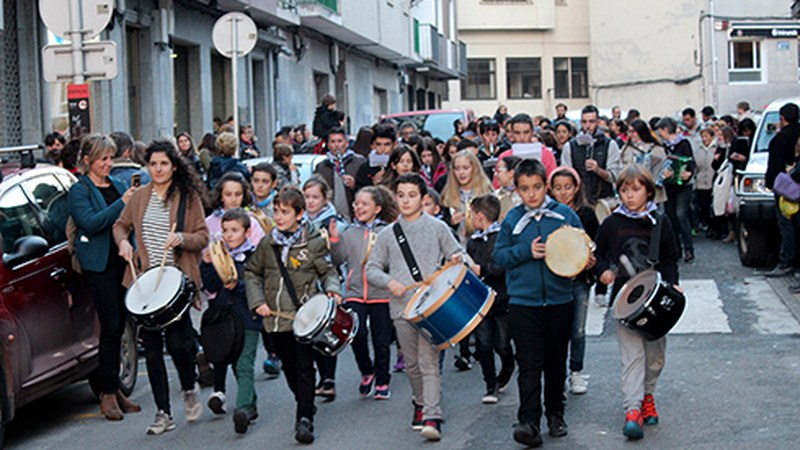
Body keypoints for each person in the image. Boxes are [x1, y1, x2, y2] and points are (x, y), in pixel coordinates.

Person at [113, 140, 209, 435]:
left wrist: (181, 238)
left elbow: (203, 236)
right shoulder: (140, 196)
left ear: (174, 166)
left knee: (179, 345)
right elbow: (120, 225)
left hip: (177, 282)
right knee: (152, 350)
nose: (157, 169)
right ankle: (163, 412)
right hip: (145, 284)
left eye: (163, 164)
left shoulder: (188, 198)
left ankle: (189, 387)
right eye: (153, 164)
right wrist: (123, 244)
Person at [365, 173, 463, 441]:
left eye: (412, 195)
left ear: (423, 198)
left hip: (433, 307)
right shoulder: (386, 234)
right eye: (401, 195)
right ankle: (419, 402)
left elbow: (458, 253)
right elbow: (372, 268)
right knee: (411, 364)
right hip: (401, 307)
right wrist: (390, 281)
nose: (406, 200)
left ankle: (433, 414)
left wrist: (456, 258)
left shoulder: (438, 228)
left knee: (428, 361)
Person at [493, 159, 583, 448]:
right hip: (523, 302)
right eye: (524, 189)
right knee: (529, 363)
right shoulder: (511, 220)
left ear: (546, 186)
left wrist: (585, 260)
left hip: (559, 299)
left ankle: (556, 413)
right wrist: (524, 251)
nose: (531, 194)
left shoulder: (565, 214)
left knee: (556, 361)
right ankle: (528, 422)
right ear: (516, 190)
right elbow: (499, 257)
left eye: (536, 187)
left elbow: (582, 247)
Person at [245, 186, 341, 444]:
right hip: (276, 320)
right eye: (276, 211)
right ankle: (305, 403)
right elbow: (252, 272)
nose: (278, 216)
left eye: (285, 212)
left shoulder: (312, 242)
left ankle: (304, 418)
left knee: (303, 367)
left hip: (304, 319)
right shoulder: (268, 243)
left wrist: (333, 290)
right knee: (288, 367)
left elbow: (328, 272)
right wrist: (258, 301)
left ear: (299, 214)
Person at [594, 165, 680, 440]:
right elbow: (600, 255)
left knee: (655, 358)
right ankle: (632, 410)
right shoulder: (612, 223)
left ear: (647, 190)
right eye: (624, 190)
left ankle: (647, 396)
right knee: (632, 357)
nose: (629, 196)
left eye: (635, 189)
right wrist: (603, 273)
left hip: (655, 297)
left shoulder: (659, 221)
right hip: (625, 299)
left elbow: (669, 257)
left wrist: (672, 282)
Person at [68, 134, 140, 421]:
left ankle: (114, 389)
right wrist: (121, 203)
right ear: (88, 160)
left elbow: (128, 222)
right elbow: (91, 223)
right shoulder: (80, 190)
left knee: (121, 323)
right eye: (103, 159)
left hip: (121, 263)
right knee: (110, 325)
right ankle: (107, 392)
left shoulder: (119, 183)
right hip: (98, 266)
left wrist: (130, 244)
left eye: (111, 158)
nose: (109, 164)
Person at [329, 186, 398, 400]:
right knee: (356, 335)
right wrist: (334, 241)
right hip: (355, 291)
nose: (359, 208)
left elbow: (395, 261)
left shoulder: (388, 232)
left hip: (381, 293)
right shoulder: (348, 232)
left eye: (364, 204)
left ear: (377, 208)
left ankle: (383, 380)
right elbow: (338, 259)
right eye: (356, 204)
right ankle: (367, 371)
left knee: (381, 339)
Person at [199, 208, 261, 433]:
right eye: (225, 230)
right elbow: (213, 287)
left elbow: (259, 286)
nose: (229, 235)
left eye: (234, 230)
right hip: (228, 321)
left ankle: (243, 409)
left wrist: (240, 285)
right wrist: (206, 265)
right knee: (236, 363)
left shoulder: (255, 257)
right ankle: (251, 403)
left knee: (244, 364)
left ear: (247, 231)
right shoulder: (220, 256)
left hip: (249, 319)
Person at [547, 166, 599, 395]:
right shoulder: (548, 213)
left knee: (578, 329)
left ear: (576, 187)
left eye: (568, 187)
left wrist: (591, 260)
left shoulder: (586, 214)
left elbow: (597, 244)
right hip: (554, 280)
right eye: (558, 188)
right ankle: (557, 371)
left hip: (579, 279)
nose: (563, 192)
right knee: (557, 330)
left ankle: (576, 370)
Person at [466, 194, 514, 404]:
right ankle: (490, 384)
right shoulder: (472, 242)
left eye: (472, 214)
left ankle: (508, 364)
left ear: (480, 215)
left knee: (502, 344)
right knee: (484, 344)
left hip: (502, 299)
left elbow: (503, 266)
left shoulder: (501, 238)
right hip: (480, 300)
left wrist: (482, 269)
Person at [561, 105, 622, 206]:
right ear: (580, 123)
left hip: (604, 200)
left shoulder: (610, 144)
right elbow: (566, 175)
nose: (588, 126)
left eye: (591, 121)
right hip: (579, 201)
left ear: (598, 122)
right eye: (584, 122)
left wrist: (598, 170)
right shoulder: (570, 146)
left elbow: (615, 177)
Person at [765, 103, 800, 277]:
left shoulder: (780, 139)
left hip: (785, 187)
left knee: (786, 224)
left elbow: (774, 167)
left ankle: (787, 261)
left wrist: (771, 183)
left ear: (782, 118)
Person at [655, 117, 695, 262]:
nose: (660, 134)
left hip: (684, 186)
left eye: (661, 131)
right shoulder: (662, 147)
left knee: (680, 214)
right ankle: (676, 249)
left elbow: (691, 163)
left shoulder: (683, 143)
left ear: (666, 129)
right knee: (670, 217)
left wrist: (688, 173)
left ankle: (689, 248)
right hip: (669, 186)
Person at [314, 127, 366, 221]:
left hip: (354, 215)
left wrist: (355, 184)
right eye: (333, 142)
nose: (336, 145)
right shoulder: (321, 167)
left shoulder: (359, 162)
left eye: (339, 141)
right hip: (329, 217)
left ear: (346, 143)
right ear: (328, 145)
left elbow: (368, 188)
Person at [620, 120, 668, 204]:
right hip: (633, 192)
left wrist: (666, 175)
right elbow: (622, 168)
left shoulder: (656, 149)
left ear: (641, 131)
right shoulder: (626, 149)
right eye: (629, 131)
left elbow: (665, 167)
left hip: (655, 194)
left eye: (633, 131)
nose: (630, 134)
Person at [356, 124, 397, 189]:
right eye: (378, 144)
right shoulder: (364, 168)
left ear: (394, 145)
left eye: (387, 144)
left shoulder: (399, 165)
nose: (382, 148)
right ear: (372, 146)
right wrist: (373, 184)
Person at [693, 128, 717, 235]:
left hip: (713, 181)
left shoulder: (716, 148)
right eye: (702, 136)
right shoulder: (698, 149)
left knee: (713, 206)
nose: (704, 139)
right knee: (703, 205)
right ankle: (706, 224)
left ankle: (714, 227)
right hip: (701, 181)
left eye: (706, 136)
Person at [495, 155, 522, 221]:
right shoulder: (495, 195)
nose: (495, 174)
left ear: (511, 173)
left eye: (499, 171)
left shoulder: (524, 196)